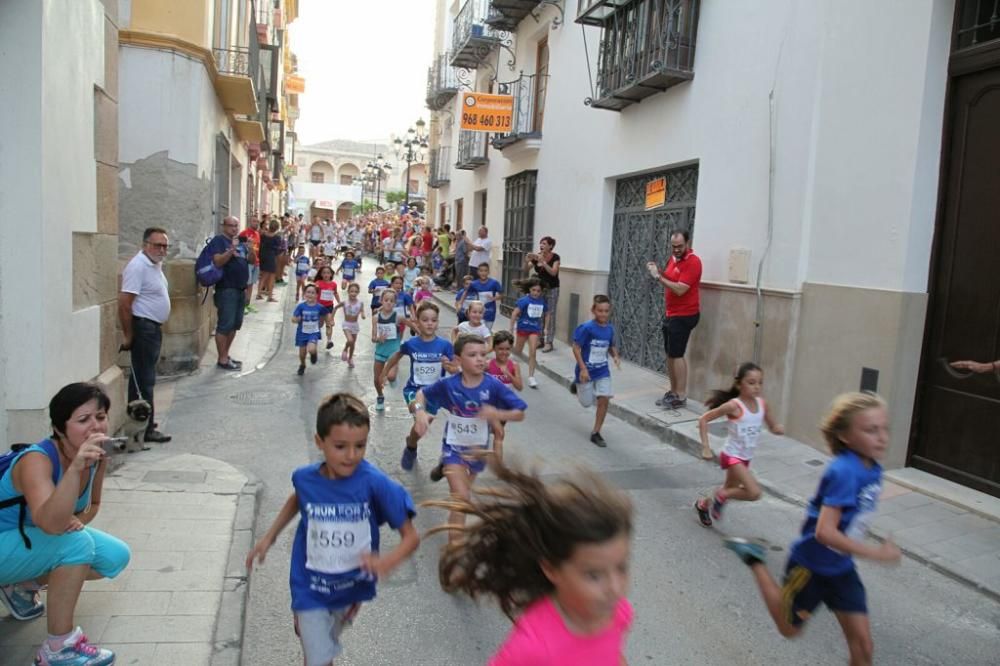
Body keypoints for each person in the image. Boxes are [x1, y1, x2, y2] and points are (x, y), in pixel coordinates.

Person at [723, 392, 901, 666]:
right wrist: (875, 553)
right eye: (870, 430)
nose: (882, 437)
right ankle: (755, 559)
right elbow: (824, 533)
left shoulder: (873, 468)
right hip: (811, 567)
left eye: (884, 429)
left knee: (863, 647)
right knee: (789, 628)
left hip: (841, 569)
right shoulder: (844, 472)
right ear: (845, 436)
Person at [245, 393, 420, 666]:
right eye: (340, 446)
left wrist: (387, 561)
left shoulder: (375, 484)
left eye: (360, 446)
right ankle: (309, 624)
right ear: (320, 442)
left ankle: (311, 629)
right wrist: (269, 536)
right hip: (309, 584)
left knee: (319, 650)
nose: (351, 456)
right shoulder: (306, 479)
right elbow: (297, 499)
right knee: (317, 656)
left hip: (349, 590)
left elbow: (411, 537)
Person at [425, 462, 634, 665]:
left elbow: (613, 654)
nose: (615, 588)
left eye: (621, 568)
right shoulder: (532, 650)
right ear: (551, 569)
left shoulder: (615, 612)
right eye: (594, 575)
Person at [0, 383, 131, 666]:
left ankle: (21, 585)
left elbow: (92, 506)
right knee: (76, 546)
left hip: (27, 537)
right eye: (83, 420)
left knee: (115, 556)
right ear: (60, 429)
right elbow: (49, 523)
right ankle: (57, 648)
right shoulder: (36, 460)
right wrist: (74, 469)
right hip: (8, 535)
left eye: (100, 416)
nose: (95, 426)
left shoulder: (96, 458)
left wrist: (77, 520)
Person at [414, 334, 526, 537]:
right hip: (454, 449)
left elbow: (520, 412)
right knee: (462, 498)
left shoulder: (493, 385)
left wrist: (498, 413)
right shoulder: (449, 384)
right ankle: (455, 549)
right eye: (473, 355)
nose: (480, 359)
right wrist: (420, 411)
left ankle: (454, 542)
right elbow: (421, 394)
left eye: (483, 354)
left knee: (461, 500)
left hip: (477, 452)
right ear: (458, 360)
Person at [694, 362, 785, 526]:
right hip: (732, 456)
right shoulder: (734, 406)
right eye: (751, 382)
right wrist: (706, 447)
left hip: (745, 457)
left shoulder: (763, 405)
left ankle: (703, 504)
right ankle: (722, 496)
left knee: (728, 488)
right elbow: (704, 419)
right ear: (739, 384)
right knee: (754, 492)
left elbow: (772, 426)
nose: (757, 387)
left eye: (760, 383)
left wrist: (777, 428)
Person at [379, 302, 456, 471]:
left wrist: (449, 365)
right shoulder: (411, 344)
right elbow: (396, 356)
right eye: (425, 320)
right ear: (418, 322)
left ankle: (411, 443)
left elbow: (455, 367)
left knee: (422, 427)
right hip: (414, 391)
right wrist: (384, 374)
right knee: (421, 421)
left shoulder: (445, 345)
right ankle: (412, 449)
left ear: (437, 322)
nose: (430, 323)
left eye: (433, 320)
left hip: (436, 393)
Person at [118, 226, 172, 443]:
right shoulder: (138, 266)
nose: (161, 250)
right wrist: (129, 336)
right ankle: (145, 429)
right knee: (144, 380)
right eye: (157, 245)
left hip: (152, 328)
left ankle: (142, 423)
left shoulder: (154, 264)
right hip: (143, 328)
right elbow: (124, 304)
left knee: (143, 379)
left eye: (165, 246)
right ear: (145, 245)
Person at [647, 231, 702, 410]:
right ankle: (672, 392)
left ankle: (681, 395)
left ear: (688, 243)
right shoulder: (674, 259)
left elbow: (680, 289)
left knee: (677, 354)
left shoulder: (693, 262)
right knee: (670, 353)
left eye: (679, 246)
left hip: (685, 315)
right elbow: (672, 278)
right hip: (672, 313)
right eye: (673, 246)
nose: (676, 249)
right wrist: (659, 270)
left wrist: (658, 277)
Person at [571, 294, 621, 448]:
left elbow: (610, 345)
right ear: (593, 310)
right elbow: (576, 347)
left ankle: (596, 432)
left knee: (604, 398)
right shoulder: (586, 328)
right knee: (586, 403)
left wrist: (615, 356)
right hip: (586, 371)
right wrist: (583, 369)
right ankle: (576, 384)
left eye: (606, 311)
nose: (603, 314)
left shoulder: (610, 329)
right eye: (600, 311)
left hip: (602, 371)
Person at [209, 216, 251, 370]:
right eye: (231, 225)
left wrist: (250, 249)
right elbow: (218, 261)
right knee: (224, 325)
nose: (234, 228)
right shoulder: (219, 241)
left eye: (236, 225)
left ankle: (226, 355)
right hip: (226, 289)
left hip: (240, 289)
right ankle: (222, 359)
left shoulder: (241, 243)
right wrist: (231, 251)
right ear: (223, 226)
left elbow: (251, 261)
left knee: (234, 325)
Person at [525, 236, 561, 353]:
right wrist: (527, 260)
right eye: (541, 243)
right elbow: (526, 269)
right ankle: (540, 340)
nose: (542, 245)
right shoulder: (537, 256)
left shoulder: (555, 257)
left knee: (550, 314)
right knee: (539, 313)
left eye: (544, 243)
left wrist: (543, 262)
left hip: (552, 289)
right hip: (539, 290)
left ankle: (549, 342)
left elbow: (553, 272)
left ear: (550, 246)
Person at [509, 279, 547, 389]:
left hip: (534, 329)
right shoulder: (524, 300)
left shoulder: (542, 301)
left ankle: (531, 377)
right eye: (534, 290)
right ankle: (509, 360)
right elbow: (514, 313)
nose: (536, 293)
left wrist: (545, 328)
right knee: (517, 351)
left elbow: (548, 313)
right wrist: (511, 328)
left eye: (538, 291)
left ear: (541, 292)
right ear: (529, 290)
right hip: (523, 328)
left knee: (533, 352)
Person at [372, 289, 402, 412]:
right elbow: (373, 338)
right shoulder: (375, 318)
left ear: (395, 303)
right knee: (377, 379)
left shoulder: (397, 317)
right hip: (380, 350)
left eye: (392, 301)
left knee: (390, 375)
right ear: (381, 301)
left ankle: (392, 378)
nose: (389, 303)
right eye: (386, 300)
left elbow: (410, 324)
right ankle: (380, 396)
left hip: (393, 350)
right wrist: (378, 338)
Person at [292, 284, 326, 376]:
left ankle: (313, 353)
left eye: (313, 293)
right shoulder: (301, 306)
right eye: (308, 292)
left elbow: (324, 314)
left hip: (313, 332)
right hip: (302, 333)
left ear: (316, 295)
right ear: (304, 294)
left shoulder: (319, 307)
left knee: (311, 349)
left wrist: (323, 323)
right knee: (302, 354)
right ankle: (302, 365)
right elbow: (294, 318)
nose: (310, 294)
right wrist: (296, 319)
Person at [330, 283, 366, 369]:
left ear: (358, 292)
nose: (353, 293)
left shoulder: (360, 303)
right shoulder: (345, 302)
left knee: (353, 343)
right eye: (351, 291)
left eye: (356, 292)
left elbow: (362, 310)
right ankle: (345, 349)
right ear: (348, 292)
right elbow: (335, 308)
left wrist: (363, 314)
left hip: (355, 325)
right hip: (346, 324)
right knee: (350, 340)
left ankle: (350, 358)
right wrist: (331, 319)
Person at [461, 263, 503, 331]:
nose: (483, 273)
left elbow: (502, 295)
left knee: (487, 330)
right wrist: (461, 303)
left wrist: (494, 298)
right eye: (481, 271)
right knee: (478, 330)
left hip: (490, 311)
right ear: (478, 272)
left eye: (485, 271)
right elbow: (466, 293)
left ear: (488, 272)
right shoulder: (474, 283)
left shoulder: (494, 283)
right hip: (478, 311)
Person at [314, 266, 341, 351]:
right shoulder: (318, 283)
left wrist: (339, 302)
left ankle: (329, 341)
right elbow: (313, 292)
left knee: (329, 324)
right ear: (321, 274)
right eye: (324, 273)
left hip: (329, 307)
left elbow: (335, 293)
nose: (326, 274)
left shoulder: (333, 284)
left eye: (328, 273)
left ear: (331, 274)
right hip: (319, 307)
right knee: (320, 324)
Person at [239, 216, 261, 312]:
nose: (256, 223)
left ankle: (248, 304)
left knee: (251, 283)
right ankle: (242, 305)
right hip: (247, 262)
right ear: (249, 222)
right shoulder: (244, 233)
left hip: (256, 262)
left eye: (257, 221)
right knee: (246, 283)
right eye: (254, 221)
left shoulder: (257, 234)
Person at [258, 219, 280, 303]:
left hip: (263, 256)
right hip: (271, 257)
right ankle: (270, 296)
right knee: (271, 277)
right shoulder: (277, 237)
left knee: (263, 275)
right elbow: (277, 250)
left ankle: (259, 293)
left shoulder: (263, 235)